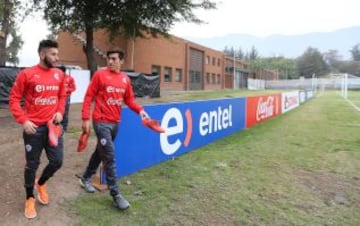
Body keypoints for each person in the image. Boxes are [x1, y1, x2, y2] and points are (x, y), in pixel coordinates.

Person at [79, 48, 149, 210]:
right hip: (100, 121)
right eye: (109, 58)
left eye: (114, 59)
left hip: (115, 123)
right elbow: (89, 96)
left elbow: (130, 101)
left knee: (100, 151)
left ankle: (86, 178)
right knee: (109, 156)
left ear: (121, 61)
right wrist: (85, 118)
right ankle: (116, 194)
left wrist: (141, 111)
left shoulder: (125, 79)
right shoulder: (100, 75)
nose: (110, 61)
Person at [9, 39, 66, 219]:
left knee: (57, 161)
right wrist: (23, 120)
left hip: (53, 127)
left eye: (57, 54)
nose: (57, 58)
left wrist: (59, 112)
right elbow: (14, 99)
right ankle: (29, 197)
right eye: (53, 54)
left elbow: (62, 96)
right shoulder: (27, 74)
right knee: (31, 165)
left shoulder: (59, 74)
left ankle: (40, 183)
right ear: (42, 54)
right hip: (33, 129)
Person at [59, 66, 76, 132]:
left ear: (64, 71)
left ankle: (64, 128)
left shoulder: (70, 78)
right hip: (59, 97)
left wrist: (66, 89)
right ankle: (57, 126)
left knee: (65, 112)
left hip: (66, 97)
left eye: (61, 72)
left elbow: (74, 88)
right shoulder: (57, 77)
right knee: (58, 111)